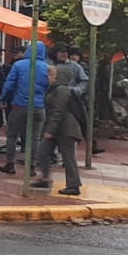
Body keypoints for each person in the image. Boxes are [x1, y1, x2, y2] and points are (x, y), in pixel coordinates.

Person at [0, 40, 52, 175]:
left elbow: (9, 84)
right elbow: (49, 87)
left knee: (12, 135)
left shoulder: (18, 65)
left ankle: (10, 163)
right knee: (35, 137)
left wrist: (3, 99)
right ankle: (32, 166)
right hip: (39, 106)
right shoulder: (47, 68)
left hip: (19, 105)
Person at [33, 63, 86, 196]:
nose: (49, 77)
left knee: (68, 158)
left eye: (52, 74)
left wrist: (49, 130)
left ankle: (73, 185)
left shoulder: (62, 90)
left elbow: (58, 111)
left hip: (66, 129)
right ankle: (45, 178)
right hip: (57, 128)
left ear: (60, 76)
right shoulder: (54, 89)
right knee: (42, 151)